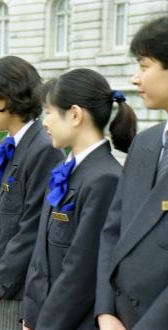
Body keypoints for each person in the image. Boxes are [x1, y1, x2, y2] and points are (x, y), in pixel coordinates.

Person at [22, 68, 137, 330]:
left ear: (74, 115)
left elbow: (81, 271)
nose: (44, 122)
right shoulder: (68, 168)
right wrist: (30, 316)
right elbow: (41, 254)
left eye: (48, 112)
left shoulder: (105, 178)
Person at [0, 56, 65, 330]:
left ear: (5, 98)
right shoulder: (7, 143)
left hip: (16, 289)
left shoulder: (44, 148)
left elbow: (33, 225)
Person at [95, 15, 168, 330]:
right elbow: (113, 230)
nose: (136, 79)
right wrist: (104, 310)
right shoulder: (146, 143)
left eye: (144, 65)